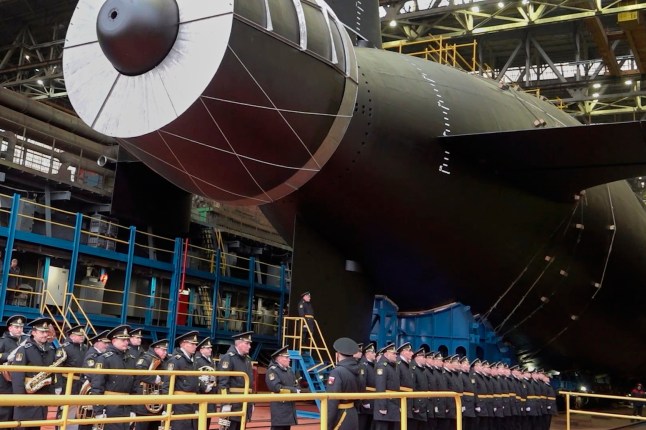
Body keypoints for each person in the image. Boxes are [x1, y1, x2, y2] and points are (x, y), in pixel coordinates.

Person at [11, 317, 59, 430]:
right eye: (42, 332)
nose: (45, 335)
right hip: (26, 399)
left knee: (37, 426)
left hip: (41, 398)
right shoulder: (24, 350)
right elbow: (17, 376)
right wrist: (19, 399)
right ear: (33, 332)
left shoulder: (51, 350)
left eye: (46, 332)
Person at [90, 325, 136, 430]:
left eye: (127, 340)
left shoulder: (131, 359)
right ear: (114, 341)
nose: (126, 342)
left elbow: (134, 386)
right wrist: (99, 411)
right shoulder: (105, 358)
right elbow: (97, 386)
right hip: (110, 406)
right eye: (123, 340)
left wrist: (133, 409)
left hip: (126, 406)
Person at [162, 331, 203, 430]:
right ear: (183, 344)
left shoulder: (194, 361)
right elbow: (167, 385)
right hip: (179, 406)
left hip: (192, 404)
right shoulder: (176, 360)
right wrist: (167, 407)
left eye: (195, 344)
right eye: (192, 344)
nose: (195, 346)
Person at [218, 331, 255, 430]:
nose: (249, 346)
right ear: (239, 343)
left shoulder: (247, 359)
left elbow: (250, 383)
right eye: (247, 343)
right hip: (232, 404)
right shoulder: (228, 358)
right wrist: (225, 403)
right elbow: (223, 382)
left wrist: (252, 402)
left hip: (245, 403)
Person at [57, 325, 89, 430]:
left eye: (82, 335)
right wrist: (58, 385)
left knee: (77, 410)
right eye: (79, 335)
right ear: (71, 336)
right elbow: (58, 368)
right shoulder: (64, 347)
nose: (82, 337)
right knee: (64, 409)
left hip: (80, 383)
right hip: (67, 383)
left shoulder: (85, 348)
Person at [133, 339, 169, 430]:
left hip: (157, 403)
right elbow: (139, 371)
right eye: (163, 350)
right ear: (156, 349)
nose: (165, 352)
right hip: (144, 405)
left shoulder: (164, 361)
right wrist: (154, 378)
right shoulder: (146, 358)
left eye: (166, 350)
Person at [78, 330, 111, 430]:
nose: (107, 345)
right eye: (104, 343)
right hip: (90, 391)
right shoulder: (92, 356)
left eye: (108, 343)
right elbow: (91, 374)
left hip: (96, 389)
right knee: (87, 420)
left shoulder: (101, 355)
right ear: (97, 342)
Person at [327, 337, 361, 430]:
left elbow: (332, 401)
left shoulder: (337, 372)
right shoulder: (358, 370)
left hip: (341, 416)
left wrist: (328, 424)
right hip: (353, 413)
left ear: (337, 354)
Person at [0, 315, 29, 421]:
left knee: (19, 408)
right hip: (6, 381)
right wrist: (6, 356)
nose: (19, 329)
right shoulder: (3, 341)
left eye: (21, 327)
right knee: (5, 409)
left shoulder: (27, 340)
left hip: (21, 380)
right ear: (10, 328)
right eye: (16, 327)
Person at [265, 345, 299, 430]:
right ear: (279, 358)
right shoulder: (272, 370)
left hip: (289, 407)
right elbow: (276, 387)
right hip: (279, 407)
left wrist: (296, 389)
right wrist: (293, 390)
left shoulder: (289, 370)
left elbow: (296, 384)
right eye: (286, 357)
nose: (289, 359)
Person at [373, 343, 400, 430]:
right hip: (385, 406)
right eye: (393, 353)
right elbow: (380, 386)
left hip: (392, 405)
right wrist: (382, 406)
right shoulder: (382, 366)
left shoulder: (391, 366)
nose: (396, 356)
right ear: (386, 354)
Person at [194, 337, 217, 429]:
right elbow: (194, 377)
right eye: (208, 348)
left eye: (210, 347)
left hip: (210, 396)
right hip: (200, 395)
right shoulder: (197, 360)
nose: (210, 349)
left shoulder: (211, 361)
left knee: (207, 423)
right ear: (201, 349)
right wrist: (204, 386)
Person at [358, 342, 377, 430]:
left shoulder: (372, 365)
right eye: (372, 352)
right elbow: (362, 383)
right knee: (363, 424)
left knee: (370, 425)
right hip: (367, 400)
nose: (375, 354)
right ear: (367, 354)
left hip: (373, 399)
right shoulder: (363, 365)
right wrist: (365, 401)